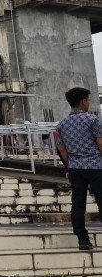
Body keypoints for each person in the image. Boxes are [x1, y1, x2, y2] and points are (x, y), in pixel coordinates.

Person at [54, 87, 102, 251]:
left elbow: (61, 149)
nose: (88, 103)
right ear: (83, 101)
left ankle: (83, 239)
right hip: (95, 166)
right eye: (88, 100)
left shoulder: (62, 125)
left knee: (78, 204)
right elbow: (100, 144)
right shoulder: (92, 120)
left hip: (75, 168)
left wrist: (69, 166)